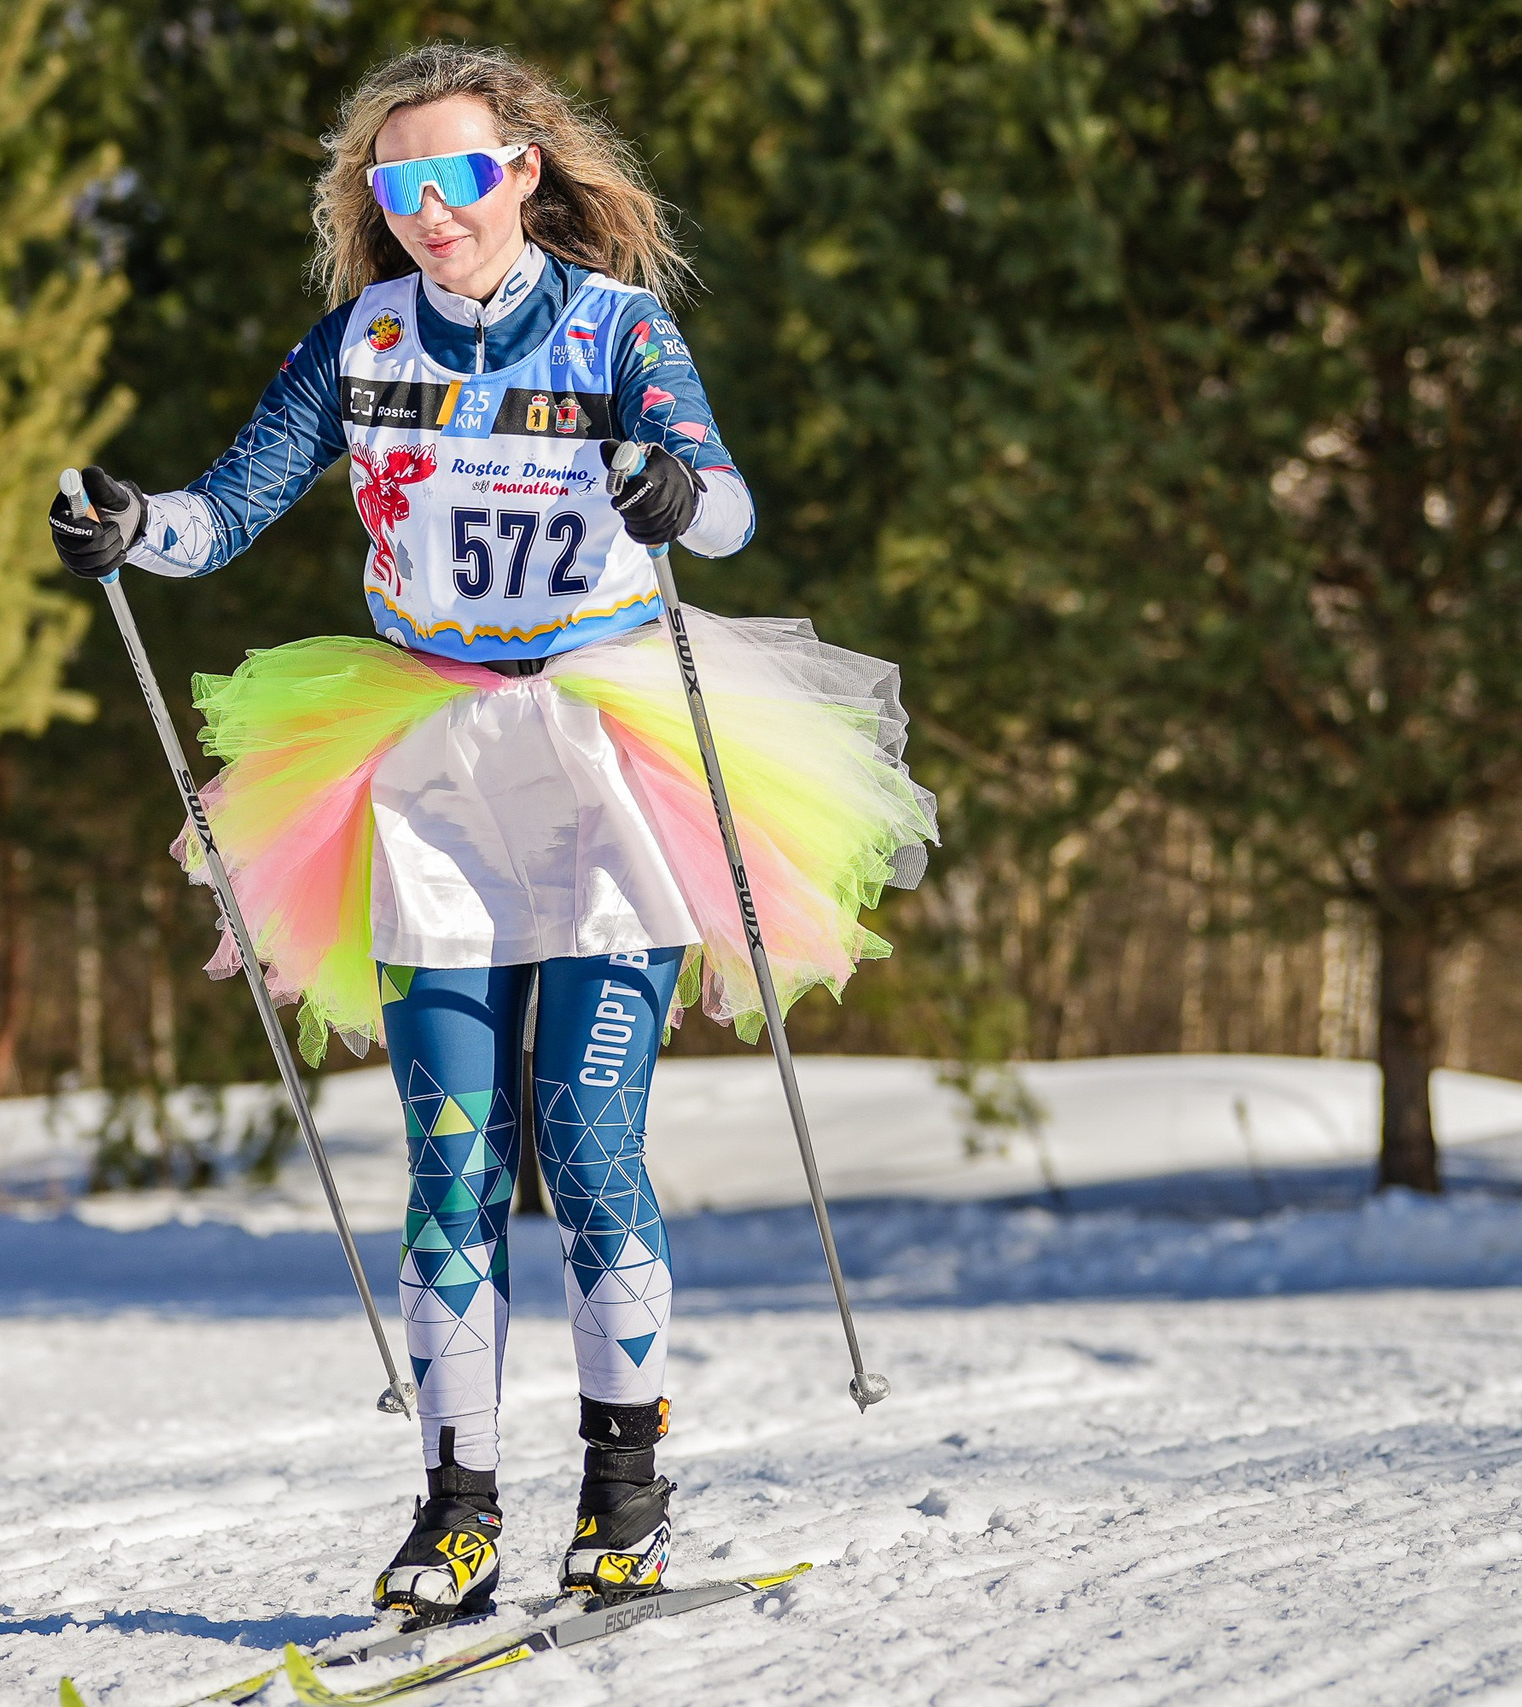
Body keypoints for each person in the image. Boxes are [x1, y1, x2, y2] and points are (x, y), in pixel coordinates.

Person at [49, 44, 935, 1625]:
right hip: (431, 764)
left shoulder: (615, 330)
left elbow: (723, 503)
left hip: (607, 752)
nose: (426, 211)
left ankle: (626, 1494)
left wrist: (669, 485)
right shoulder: (362, 340)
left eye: (455, 177)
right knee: (452, 1162)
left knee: (585, 1147)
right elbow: (230, 505)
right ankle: (456, 1511)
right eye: (395, 186)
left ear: (521, 169)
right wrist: (133, 530)